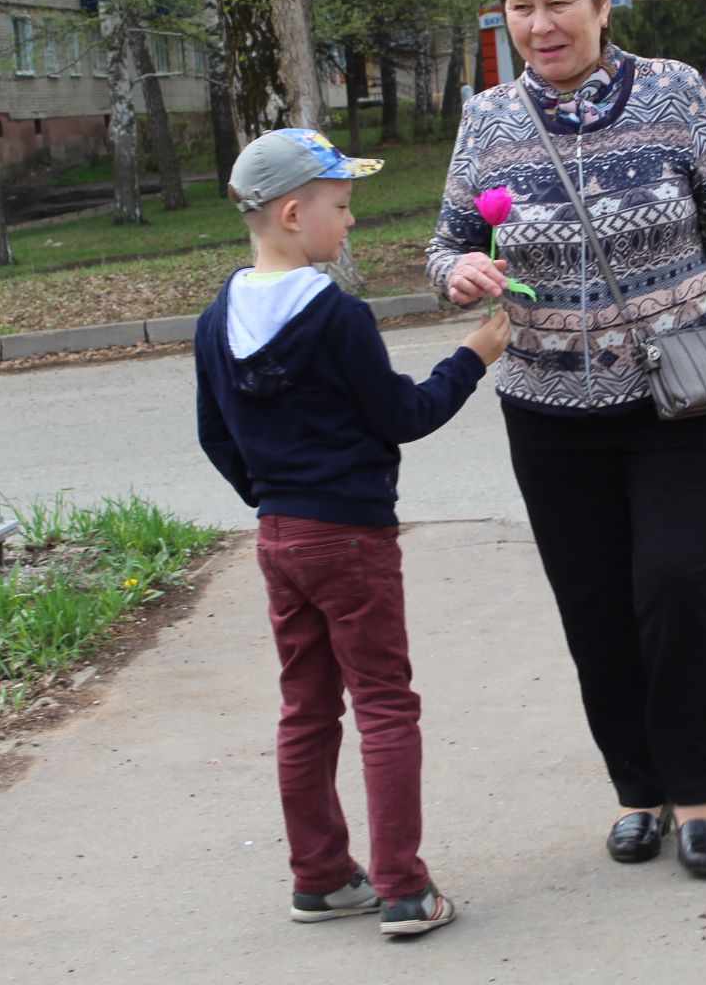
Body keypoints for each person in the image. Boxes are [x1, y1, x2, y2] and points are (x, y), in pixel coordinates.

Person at [426, 0, 706, 878]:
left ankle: (698, 797)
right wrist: (459, 277)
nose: (541, 24)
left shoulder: (677, 95)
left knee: (676, 582)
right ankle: (636, 790)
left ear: (604, 1)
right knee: (593, 602)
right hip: (545, 404)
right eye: (522, 5)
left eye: (560, 2)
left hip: (679, 398)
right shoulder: (488, 121)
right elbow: (444, 246)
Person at [195, 128, 512, 936]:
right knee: (383, 705)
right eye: (342, 207)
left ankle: (321, 876)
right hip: (353, 541)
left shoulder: (215, 318)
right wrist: (473, 356)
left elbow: (215, 435)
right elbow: (401, 415)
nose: (351, 222)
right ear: (294, 213)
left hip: (280, 538)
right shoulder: (337, 315)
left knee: (305, 708)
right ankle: (404, 888)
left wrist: (273, 497)